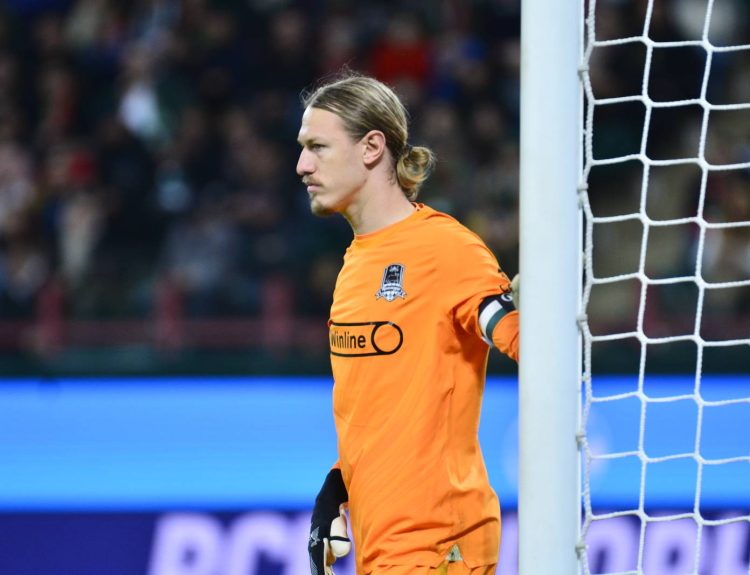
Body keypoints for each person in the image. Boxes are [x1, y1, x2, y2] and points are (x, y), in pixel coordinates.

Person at [296, 72, 519, 575]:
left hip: (442, 545)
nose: (302, 165)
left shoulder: (446, 250)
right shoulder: (354, 265)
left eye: (317, 147)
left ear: (371, 147)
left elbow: (531, 343)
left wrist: (539, 307)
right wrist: (336, 488)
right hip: (382, 546)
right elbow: (379, 412)